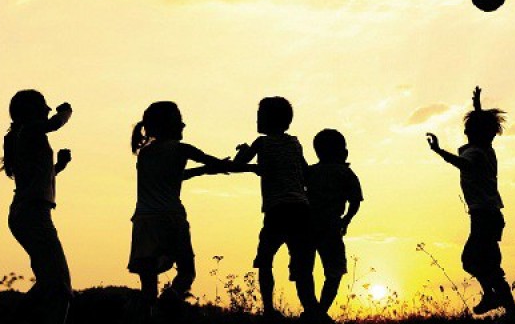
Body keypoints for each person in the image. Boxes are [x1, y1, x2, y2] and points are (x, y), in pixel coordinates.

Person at [129, 101, 255, 318]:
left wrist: (203, 171)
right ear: (168, 125)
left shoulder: (145, 153)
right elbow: (224, 165)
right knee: (186, 273)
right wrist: (252, 165)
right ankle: (171, 298)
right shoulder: (182, 149)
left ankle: (145, 315)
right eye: (179, 121)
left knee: (148, 289)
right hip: (171, 218)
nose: (183, 125)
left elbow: (171, 177)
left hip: (143, 222)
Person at [426, 87, 515, 316]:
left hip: (484, 216)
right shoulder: (487, 149)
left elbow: (463, 164)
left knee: (471, 261)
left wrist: (438, 150)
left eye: (469, 128)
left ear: (474, 132)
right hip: (490, 215)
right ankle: (509, 308)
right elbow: (482, 127)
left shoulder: (475, 153)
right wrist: (477, 106)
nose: (465, 131)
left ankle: (495, 298)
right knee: (489, 265)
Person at [233, 96, 319, 320]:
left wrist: (244, 152)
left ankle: (269, 310)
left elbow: (237, 165)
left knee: (265, 260)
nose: (257, 120)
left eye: (259, 116)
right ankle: (312, 309)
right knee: (302, 264)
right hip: (301, 210)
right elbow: (306, 173)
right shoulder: (295, 144)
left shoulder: (261, 143)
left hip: (277, 210)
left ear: (268, 120)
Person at [1, 89, 73, 324]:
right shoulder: (30, 131)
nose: (48, 109)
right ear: (31, 111)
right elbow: (55, 123)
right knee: (60, 285)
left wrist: (59, 166)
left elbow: (37, 177)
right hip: (33, 215)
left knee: (50, 283)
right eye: (43, 105)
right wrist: (66, 112)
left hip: (27, 213)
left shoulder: (23, 137)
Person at [305, 129, 363, 321]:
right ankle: (320, 311)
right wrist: (346, 220)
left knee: (304, 271)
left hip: (307, 226)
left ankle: (312, 310)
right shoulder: (345, 173)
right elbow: (355, 201)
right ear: (342, 152)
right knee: (335, 271)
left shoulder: (309, 172)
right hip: (331, 227)